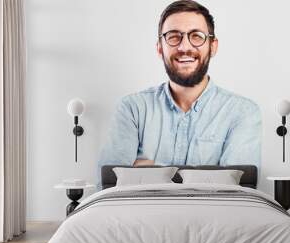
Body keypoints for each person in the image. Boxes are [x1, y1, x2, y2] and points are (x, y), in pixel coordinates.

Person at [98, 0, 261, 187]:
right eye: (174, 37)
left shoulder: (242, 112)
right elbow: (109, 186)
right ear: (160, 48)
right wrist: (208, 176)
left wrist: (147, 171)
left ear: (213, 46)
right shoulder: (132, 109)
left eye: (197, 36)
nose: (184, 47)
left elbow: (235, 191)